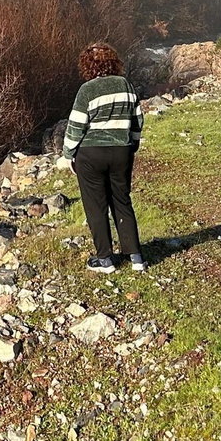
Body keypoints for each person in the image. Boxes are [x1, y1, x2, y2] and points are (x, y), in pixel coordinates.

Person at [58, 41, 144, 274]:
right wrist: (133, 144)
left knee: (96, 206)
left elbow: (76, 126)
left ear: (87, 66)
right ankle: (135, 256)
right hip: (121, 150)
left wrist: (68, 155)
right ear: (114, 62)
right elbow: (137, 119)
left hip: (91, 154)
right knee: (122, 200)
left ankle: (105, 259)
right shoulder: (125, 85)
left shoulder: (87, 90)